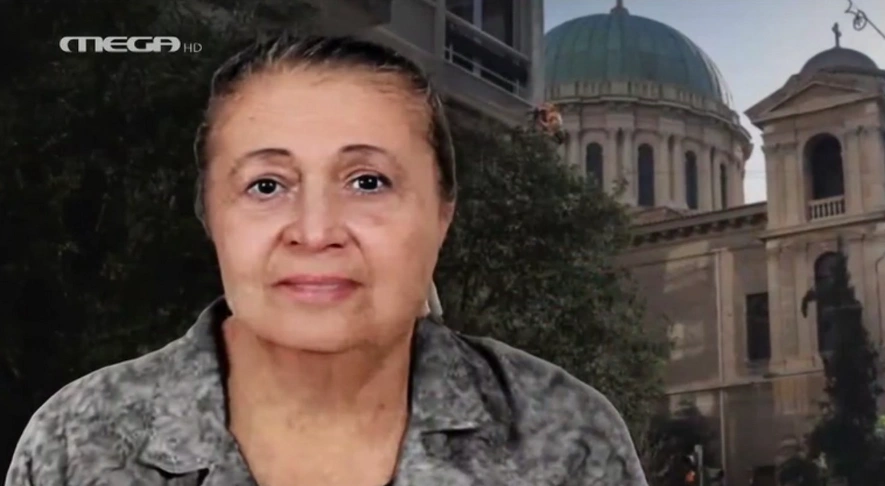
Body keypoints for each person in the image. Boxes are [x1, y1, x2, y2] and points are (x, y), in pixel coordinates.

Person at [5, 34, 648, 485]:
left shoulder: (565, 436)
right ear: (210, 216)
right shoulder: (77, 443)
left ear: (442, 215)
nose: (315, 233)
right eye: (266, 185)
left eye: (368, 182)